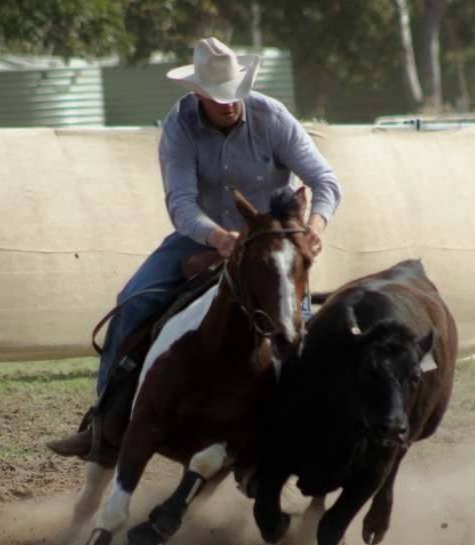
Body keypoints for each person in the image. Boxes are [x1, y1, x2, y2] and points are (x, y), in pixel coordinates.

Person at [48, 36, 342, 461]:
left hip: (270, 246)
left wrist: (314, 226)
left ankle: (308, 429)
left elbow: (324, 180)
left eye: (235, 93)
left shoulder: (272, 117)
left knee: (301, 328)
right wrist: (218, 237)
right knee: (133, 302)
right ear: (198, 94)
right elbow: (181, 203)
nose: (230, 104)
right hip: (199, 237)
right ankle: (104, 425)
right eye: (219, 97)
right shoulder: (179, 125)